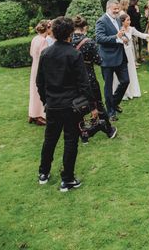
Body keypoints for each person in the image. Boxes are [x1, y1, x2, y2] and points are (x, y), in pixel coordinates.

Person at [37, 16, 91, 192]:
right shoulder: (74, 54)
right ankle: (66, 178)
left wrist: (47, 100)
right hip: (69, 106)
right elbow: (84, 83)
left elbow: (40, 82)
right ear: (69, 33)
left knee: (50, 139)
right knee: (70, 141)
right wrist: (87, 103)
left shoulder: (47, 53)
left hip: (54, 105)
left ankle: (44, 173)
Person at [71, 16, 117, 142]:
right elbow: (98, 60)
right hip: (88, 75)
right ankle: (108, 129)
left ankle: (83, 134)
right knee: (97, 103)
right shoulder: (89, 42)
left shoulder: (68, 41)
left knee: (78, 105)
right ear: (85, 27)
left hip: (73, 78)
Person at [95, 0, 130, 121]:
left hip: (121, 56)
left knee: (125, 81)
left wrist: (125, 38)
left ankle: (114, 103)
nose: (117, 11)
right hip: (107, 58)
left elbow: (121, 34)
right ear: (108, 8)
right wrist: (116, 37)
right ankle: (110, 112)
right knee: (108, 86)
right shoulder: (101, 21)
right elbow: (99, 38)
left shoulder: (118, 20)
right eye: (115, 9)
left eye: (118, 9)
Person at [114, 12, 149, 100]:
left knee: (130, 70)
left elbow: (140, 34)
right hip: (121, 53)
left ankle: (133, 91)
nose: (129, 22)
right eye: (127, 20)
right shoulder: (118, 30)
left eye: (129, 20)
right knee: (122, 72)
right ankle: (124, 93)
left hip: (129, 53)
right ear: (122, 22)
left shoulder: (131, 29)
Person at [28, 20, 49, 126]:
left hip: (34, 66)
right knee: (40, 91)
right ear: (47, 29)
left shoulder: (35, 38)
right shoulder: (43, 41)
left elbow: (32, 53)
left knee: (34, 90)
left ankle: (32, 114)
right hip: (41, 68)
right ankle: (39, 116)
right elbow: (45, 57)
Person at [127, 0, 143, 64]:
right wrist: (138, 11)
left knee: (137, 43)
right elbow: (136, 18)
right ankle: (137, 58)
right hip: (135, 27)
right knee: (136, 43)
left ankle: (139, 57)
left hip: (134, 26)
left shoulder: (129, 8)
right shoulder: (132, 9)